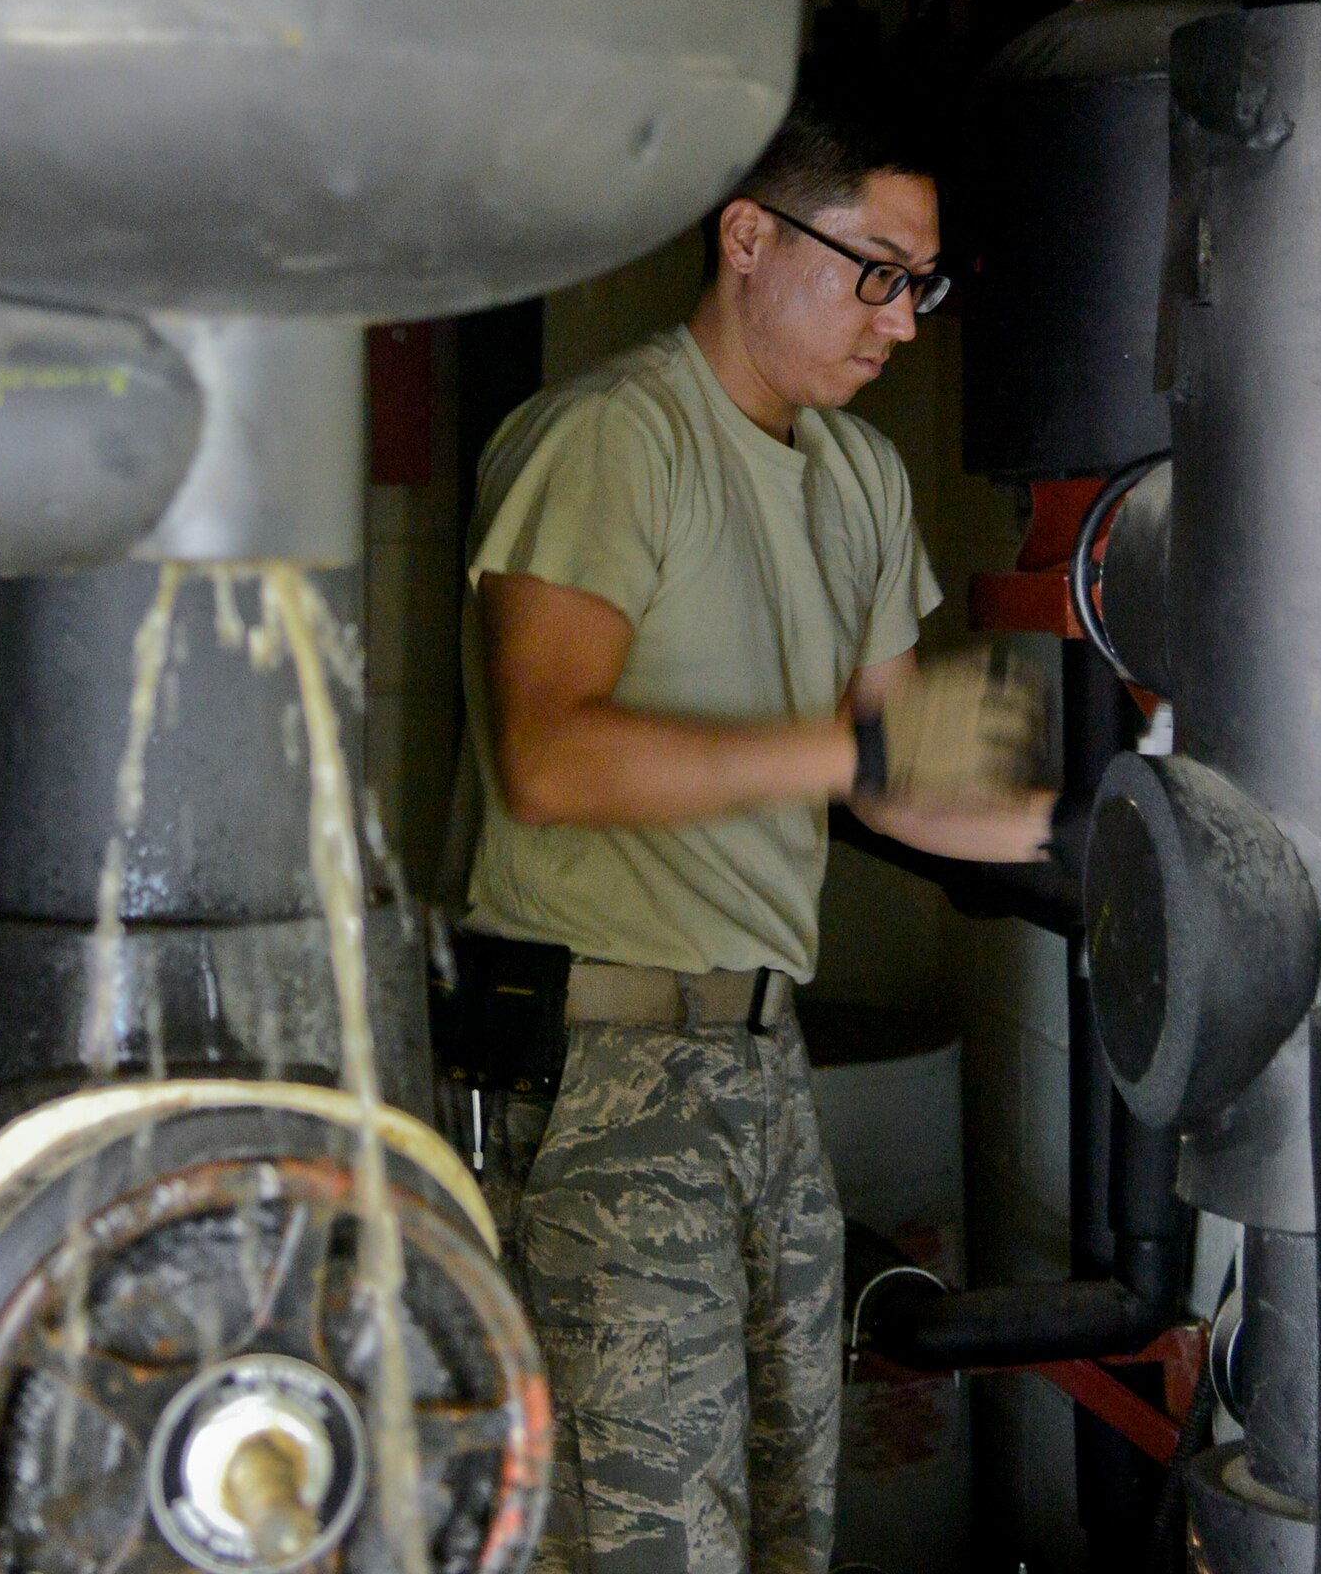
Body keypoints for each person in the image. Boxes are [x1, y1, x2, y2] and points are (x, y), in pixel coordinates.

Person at [445, 96, 1054, 1573]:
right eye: (877, 274)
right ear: (746, 237)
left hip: (760, 1073)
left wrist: (1109, 841)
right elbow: (548, 758)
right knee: (641, 1534)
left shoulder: (856, 480)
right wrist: (847, 752)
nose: (901, 324)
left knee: (781, 1520)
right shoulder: (607, 443)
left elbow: (903, 776)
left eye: (922, 286)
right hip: (599, 1078)